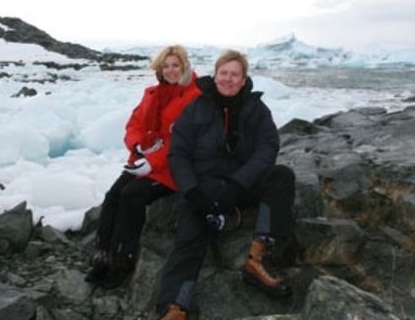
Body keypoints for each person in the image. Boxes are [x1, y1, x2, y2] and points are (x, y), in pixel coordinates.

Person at [156, 50, 295, 320]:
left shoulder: (256, 109)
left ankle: (257, 260)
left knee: (281, 176)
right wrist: (193, 192)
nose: (228, 79)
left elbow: (268, 147)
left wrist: (239, 185)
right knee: (188, 242)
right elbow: (178, 153)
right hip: (203, 189)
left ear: (243, 80)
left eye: (234, 75)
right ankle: (174, 308)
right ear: (215, 74)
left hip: (241, 186)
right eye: (224, 73)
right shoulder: (196, 107)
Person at [86, 45, 201, 289]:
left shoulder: (194, 96)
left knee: (132, 196)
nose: (170, 70)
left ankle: (121, 261)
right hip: (144, 160)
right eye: (166, 66)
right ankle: (101, 258)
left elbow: (183, 138)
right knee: (113, 195)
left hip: (173, 167)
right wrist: (137, 146)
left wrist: (153, 161)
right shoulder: (151, 93)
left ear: (184, 67)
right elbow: (134, 123)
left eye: (175, 65)